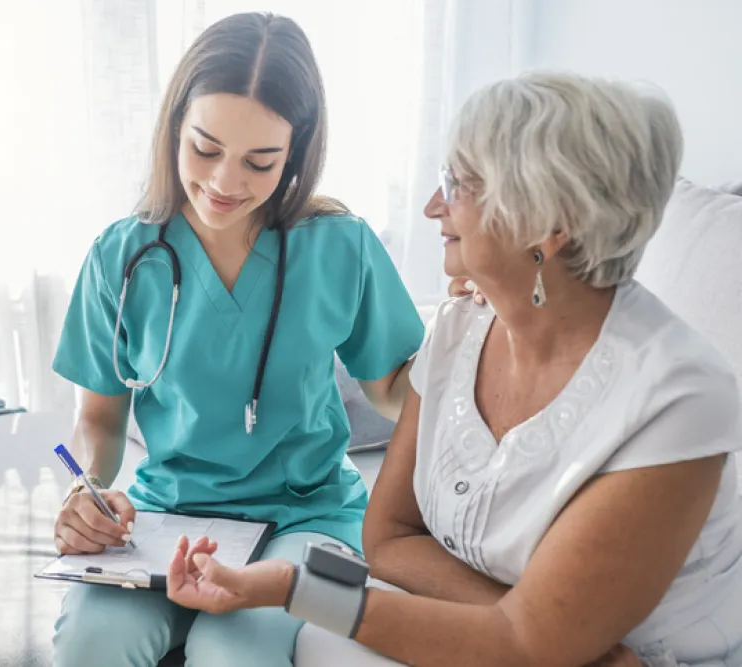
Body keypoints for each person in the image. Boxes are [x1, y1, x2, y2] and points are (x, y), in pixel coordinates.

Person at [164, 72, 742, 667]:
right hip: (556, 647)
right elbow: (388, 539)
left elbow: (523, 646)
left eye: (458, 184)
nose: (433, 206)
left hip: (648, 658)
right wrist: (546, 629)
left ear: (549, 221)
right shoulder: (460, 328)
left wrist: (295, 588)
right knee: (323, 644)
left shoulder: (677, 399)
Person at [50, 12, 426, 667]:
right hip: (166, 514)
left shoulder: (342, 245)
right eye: (205, 148)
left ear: (298, 154)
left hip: (316, 521)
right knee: (90, 643)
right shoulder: (121, 256)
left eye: (260, 161)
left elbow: (398, 389)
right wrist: (85, 490)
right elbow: (99, 420)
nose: (225, 182)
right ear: (173, 129)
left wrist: (484, 347)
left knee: (234, 651)